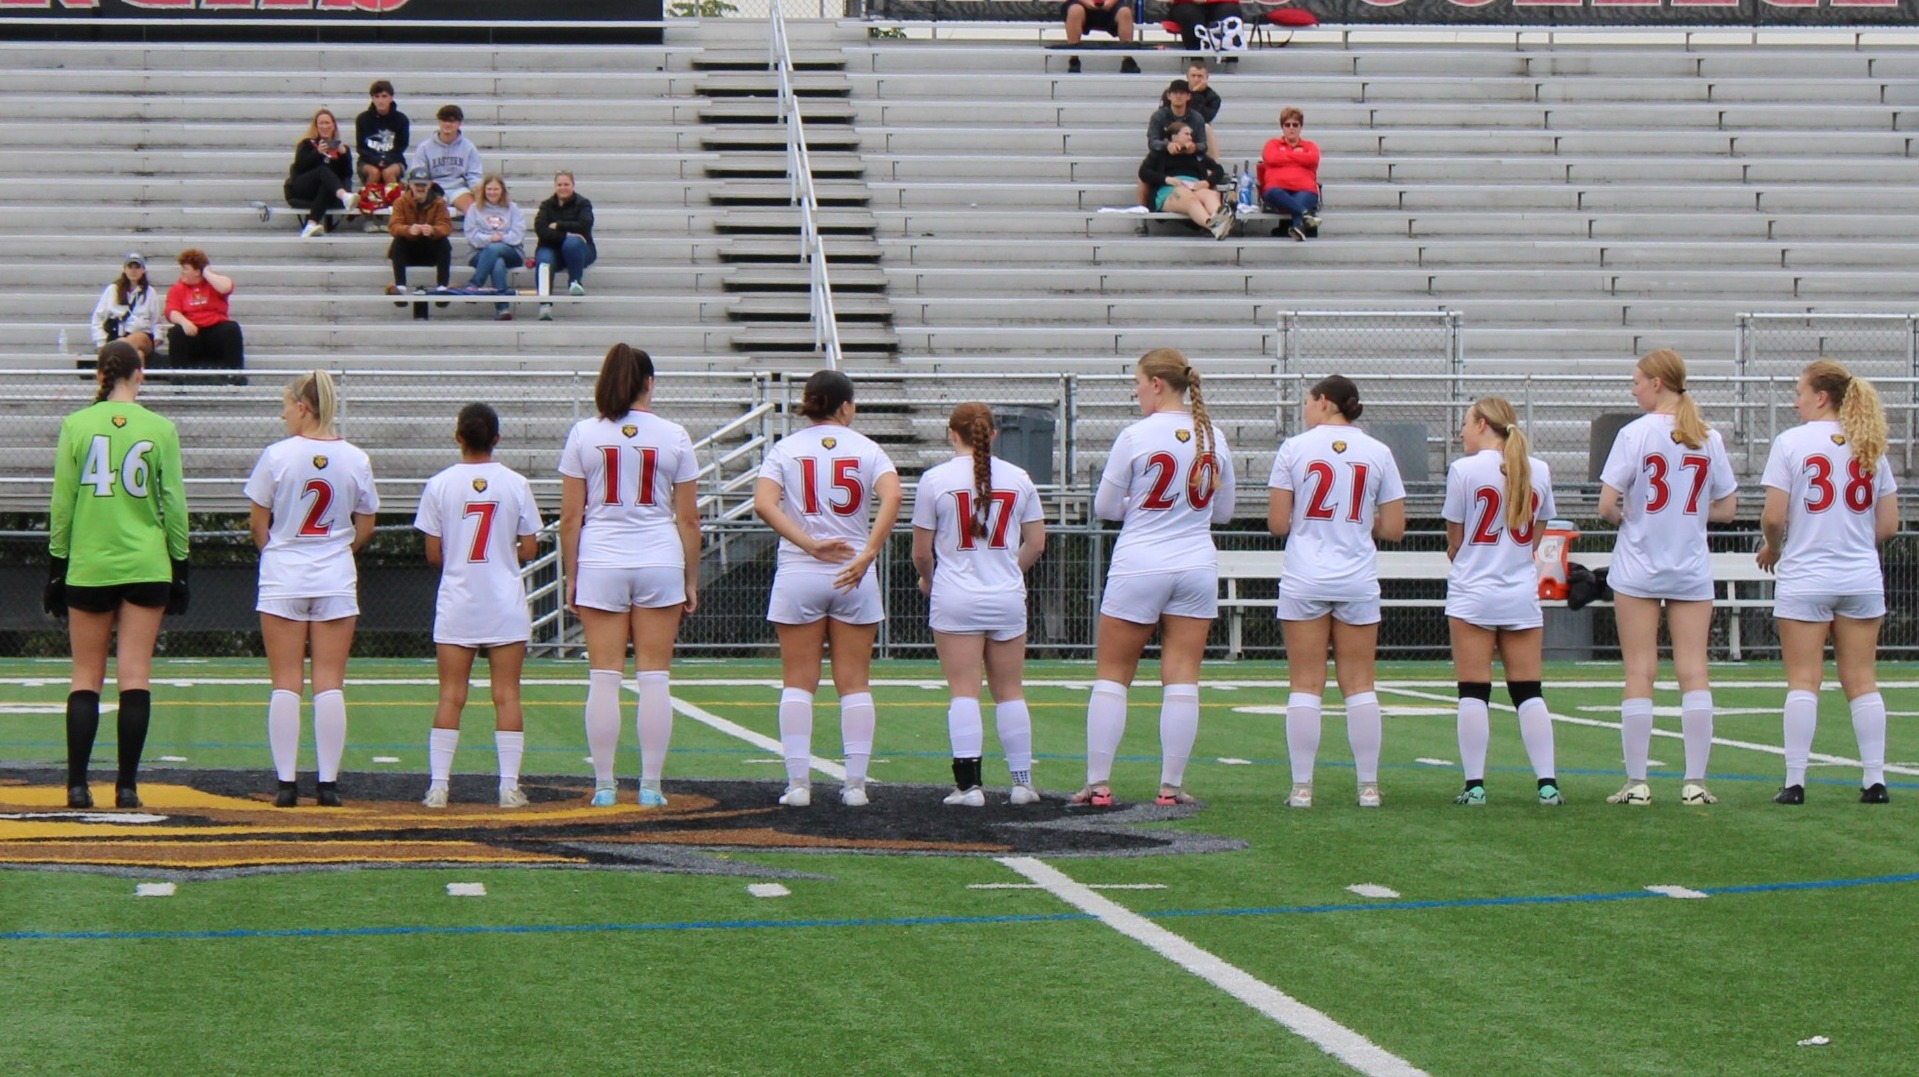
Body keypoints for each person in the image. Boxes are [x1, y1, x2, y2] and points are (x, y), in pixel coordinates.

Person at [1075, 348, 1235, 808]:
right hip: (1196, 564)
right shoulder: (1213, 436)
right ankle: (1170, 785)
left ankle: (1099, 783)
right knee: (1182, 677)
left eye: (1139, 382)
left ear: (1158, 384)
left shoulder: (1137, 435)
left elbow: (1105, 508)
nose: (1136, 390)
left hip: (1140, 561)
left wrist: (1138, 508)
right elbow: (1221, 512)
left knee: (1112, 675)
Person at [45, 341, 189, 809]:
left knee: (86, 674)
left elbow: (62, 505)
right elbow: (175, 505)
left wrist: (56, 564)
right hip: (147, 563)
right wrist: (180, 566)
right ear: (139, 373)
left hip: (90, 563)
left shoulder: (76, 425)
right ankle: (127, 787)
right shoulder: (160, 427)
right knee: (136, 674)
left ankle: (77, 786)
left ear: (102, 376)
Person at [559, 345, 702, 808]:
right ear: (649, 383)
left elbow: (570, 517)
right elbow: (689, 521)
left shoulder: (584, 433)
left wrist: (571, 575)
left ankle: (604, 785)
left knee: (603, 677)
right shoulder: (675, 434)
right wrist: (691, 578)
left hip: (601, 558)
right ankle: (651, 786)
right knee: (654, 678)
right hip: (659, 557)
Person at [752, 369, 902, 808]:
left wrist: (809, 544)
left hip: (801, 568)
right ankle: (855, 785)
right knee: (854, 682)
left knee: (798, 681)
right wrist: (868, 552)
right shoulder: (868, 448)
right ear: (846, 406)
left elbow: (764, 503)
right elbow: (892, 496)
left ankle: (798, 784)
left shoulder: (787, 448)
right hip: (853, 569)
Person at [1597, 348, 1737, 806]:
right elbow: (1728, 508)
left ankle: (1637, 783)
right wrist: (1689, 514)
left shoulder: (1635, 434)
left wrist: (1630, 519)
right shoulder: (1707, 436)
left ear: (1658, 383)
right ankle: (1695, 782)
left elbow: (1606, 505)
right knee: (1694, 671)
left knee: (1640, 671)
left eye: (1637, 380)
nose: (1633, 388)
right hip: (1690, 567)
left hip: (1639, 566)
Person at [1757, 360, 1900, 805]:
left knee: (1804, 680)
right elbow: (1890, 524)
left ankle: (1796, 782)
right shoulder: (1870, 444)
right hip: (1860, 576)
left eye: (1800, 392)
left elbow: (1774, 516)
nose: (1795, 400)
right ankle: (1874, 781)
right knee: (1862, 680)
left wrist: (1774, 547)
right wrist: (1852, 541)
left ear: (1821, 396)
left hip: (1806, 575)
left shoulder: (1791, 443)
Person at [1267, 374, 1406, 809]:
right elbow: (1396, 528)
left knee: (1306, 685)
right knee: (1360, 685)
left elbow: (1277, 524)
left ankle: (1302, 788)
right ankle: (1368, 787)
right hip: (1356, 577)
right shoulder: (1378, 451)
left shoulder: (1294, 448)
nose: (1305, 410)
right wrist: (1364, 523)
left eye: (1307, 402)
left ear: (1324, 402)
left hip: (1306, 574)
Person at [244, 370, 379, 808]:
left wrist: (280, 554)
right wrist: (337, 550)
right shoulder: (355, 457)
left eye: (287, 405)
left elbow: (258, 524)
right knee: (329, 683)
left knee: (286, 683)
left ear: (303, 408)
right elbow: (366, 524)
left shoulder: (277, 455)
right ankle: (327, 785)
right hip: (334, 576)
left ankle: (286, 785)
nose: (284, 414)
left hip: (284, 575)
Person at [910, 402, 1048, 806]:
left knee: (964, 692)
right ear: (993, 435)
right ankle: (1022, 783)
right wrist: (1009, 572)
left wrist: (931, 582)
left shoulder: (935, 480)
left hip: (955, 595)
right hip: (1006, 597)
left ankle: (969, 787)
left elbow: (921, 552)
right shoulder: (1019, 478)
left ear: (951, 433)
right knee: (1010, 692)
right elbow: (1037, 543)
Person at [414, 402, 543, 809]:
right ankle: (508, 787)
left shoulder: (440, 484)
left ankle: (439, 787)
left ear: (458, 437)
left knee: (451, 694)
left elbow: (433, 553)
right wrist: (501, 554)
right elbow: (530, 546)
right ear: (497, 439)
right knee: (507, 695)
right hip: (503, 599)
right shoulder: (516, 483)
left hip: (459, 599)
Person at [1442, 398, 1562, 806]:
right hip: (1518, 591)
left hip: (1473, 592)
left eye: (1465, 423)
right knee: (1529, 690)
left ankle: (1474, 785)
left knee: (1474, 691)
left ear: (1482, 424)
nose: (1461, 432)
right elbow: (1535, 536)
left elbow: (1455, 540)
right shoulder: (1538, 469)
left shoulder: (1463, 470)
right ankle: (1547, 784)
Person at [1139, 122, 1233, 239]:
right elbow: (1144, 172)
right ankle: (1212, 226)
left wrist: (1206, 182)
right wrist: (1166, 179)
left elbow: (1218, 169)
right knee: (1187, 197)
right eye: (1186, 134)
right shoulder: (1160, 153)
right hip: (1170, 189)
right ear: (1174, 137)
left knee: (1211, 194)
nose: (1190, 137)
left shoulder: (1196, 154)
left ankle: (1219, 219)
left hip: (1194, 185)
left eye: (1191, 135)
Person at [163, 249, 244, 378]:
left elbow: (226, 287)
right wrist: (184, 322)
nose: (182, 272)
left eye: (186, 268)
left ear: (196, 271)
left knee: (231, 329)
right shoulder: (177, 288)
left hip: (214, 333)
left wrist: (205, 271)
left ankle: (234, 374)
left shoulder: (213, 283)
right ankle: (178, 376)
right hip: (193, 333)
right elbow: (171, 311)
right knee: (176, 332)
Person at [386, 166, 452, 321]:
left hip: (431, 250)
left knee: (444, 242)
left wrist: (433, 230)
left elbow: (446, 226)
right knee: (399, 241)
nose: (420, 188)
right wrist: (408, 230)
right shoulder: (400, 202)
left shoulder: (439, 202)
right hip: (409, 250)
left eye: (423, 184)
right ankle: (400, 286)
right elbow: (393, 226)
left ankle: (442, 287)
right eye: (417, 184)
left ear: (430, 185)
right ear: (410, 184)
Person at [533, 171, 596, 321]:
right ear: (555, 186)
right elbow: (541, 230)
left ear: (573, 185)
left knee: (572, 243)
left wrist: (558, 225)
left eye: (566, 184)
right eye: (559, 184)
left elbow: (584, 226)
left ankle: (575, 282)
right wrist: (566, 234)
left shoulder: (583, 203)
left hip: (580, 250)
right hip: (551, 249)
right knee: (543, 260)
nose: (563, 188)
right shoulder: (546, 205)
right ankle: (545, 304)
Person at [463, 174, 526, 321]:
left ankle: (475, 284)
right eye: (489, 189)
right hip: (478, 253)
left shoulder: (513, 209)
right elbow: (472, 237)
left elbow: (518, 235)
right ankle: (502, 308)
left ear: (502, 190)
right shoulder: (474, 209)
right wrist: (490, 238)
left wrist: (501, 238)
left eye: (496, 189)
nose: (492, 192)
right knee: (497, 262)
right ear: (483, 190)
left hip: (511, 251)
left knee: (494, 249)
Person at [284, 108, 354, 239]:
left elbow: (347, 174)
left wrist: (344, 155)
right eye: (321, 123)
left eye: (328, 123)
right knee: (323, 170)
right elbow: (299, 167)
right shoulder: (307, 144)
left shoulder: (342, 148)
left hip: (326, 190)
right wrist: (317, 153)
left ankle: (312, 223)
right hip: (303, 185)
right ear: (316, 126)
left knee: (327, 184)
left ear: (333, 126)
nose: (325, 126)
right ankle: (344, 196)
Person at [408, 103, 483, 215]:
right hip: (433, 189)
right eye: (444, 121)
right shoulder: (425, 147)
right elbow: (418, 173)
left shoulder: (468, 147)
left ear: (459, 124)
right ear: (439, 122)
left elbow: (474, 175)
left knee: (472, 210)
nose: (447, 124)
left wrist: (477, 189)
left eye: (452, 121)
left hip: (458, 189)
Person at [1260, 107, 1321, 242]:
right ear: (1282, 127)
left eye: (1295, 125)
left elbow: (1313, 159)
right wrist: (1298, 156)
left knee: (1304, 198)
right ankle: (1305, 215)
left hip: (1304, 190)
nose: (1291, 128)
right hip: (1277, 190)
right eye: (1287, 125)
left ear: (1301, 127)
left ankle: (1298, 227)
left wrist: (1285, 157)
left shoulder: (1310, 146)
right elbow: (1270, 158)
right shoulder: (1272, 144)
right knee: (1272, 192)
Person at [89, 252, 159, 363]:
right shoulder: (112, 290)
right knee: (138, 355)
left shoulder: (150, 292)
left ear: (143, 270)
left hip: (143, 335)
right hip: (117, 334)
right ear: (124, 269)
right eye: (130, 267)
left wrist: (157, 338)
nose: (133, 271)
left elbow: (155, 320)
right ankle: (131, 379)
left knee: (133, 339)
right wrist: (100, 342)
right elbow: (98, 318)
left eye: (137, 267)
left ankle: (115, 351)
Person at [355, 80, 410, 194]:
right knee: (374, 172)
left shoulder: (401, 119)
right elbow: (361, 147)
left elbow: (401, 146)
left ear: (391, 98)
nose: (381, 100)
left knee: (388, 172)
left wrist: (386, 159)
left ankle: (395, 206)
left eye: (384, 96)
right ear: (372, 98)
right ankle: (369, 205)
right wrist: (376, 160)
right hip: (367, 161)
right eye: (377, 96)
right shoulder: (362, 119)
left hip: (394, 160)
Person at [1060, 0, 1139, 75]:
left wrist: (1110, 2)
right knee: (1075, 11)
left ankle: (1128, 59)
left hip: (1111, 5)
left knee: (1125, 12)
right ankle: (1074, 59)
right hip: (1080, 3)